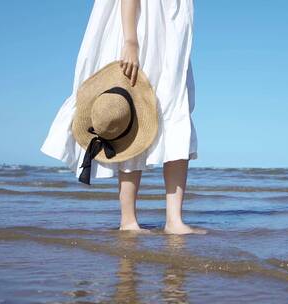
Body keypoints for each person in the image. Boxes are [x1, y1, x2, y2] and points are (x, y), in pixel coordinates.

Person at [40, 0, 206, 235]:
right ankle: (128, 220)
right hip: (143, 25)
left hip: (171, 32)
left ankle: (174, 220)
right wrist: (130, 40)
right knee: (134, 113)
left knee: (177, 114)